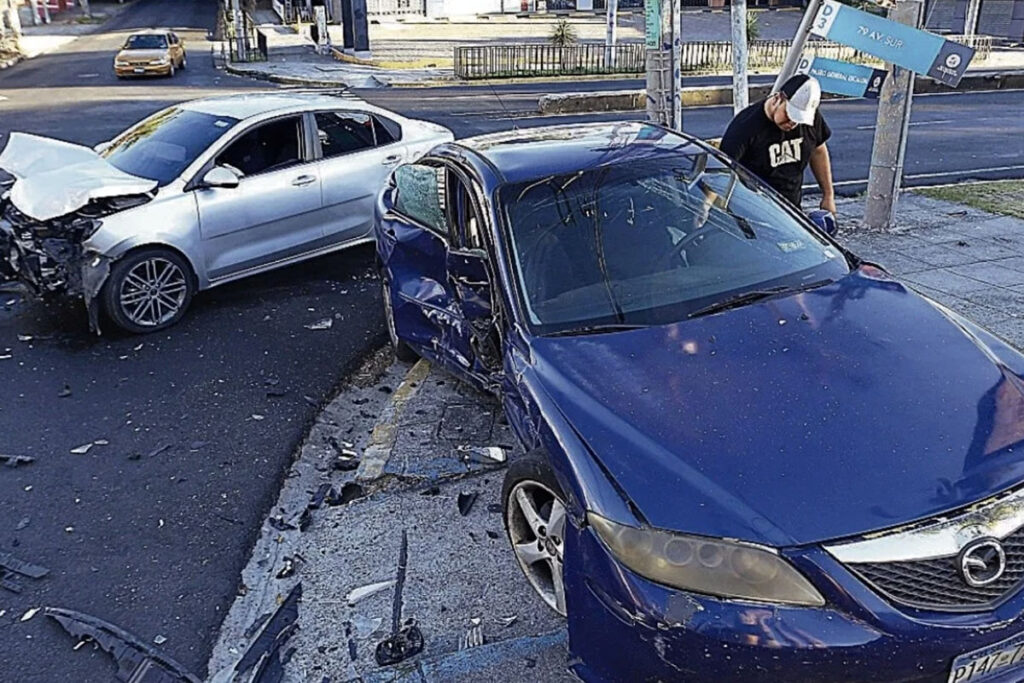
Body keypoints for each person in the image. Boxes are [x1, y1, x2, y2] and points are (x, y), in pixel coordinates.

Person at [720, 74, 836, 216]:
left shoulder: (811, 120)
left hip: (791, 211)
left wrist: (828, 195)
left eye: (798, 120)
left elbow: (818, 150)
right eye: (789, 115)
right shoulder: (745, 127)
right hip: (753, 210)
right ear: (777, 99)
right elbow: (722, 171)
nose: (792, 124)